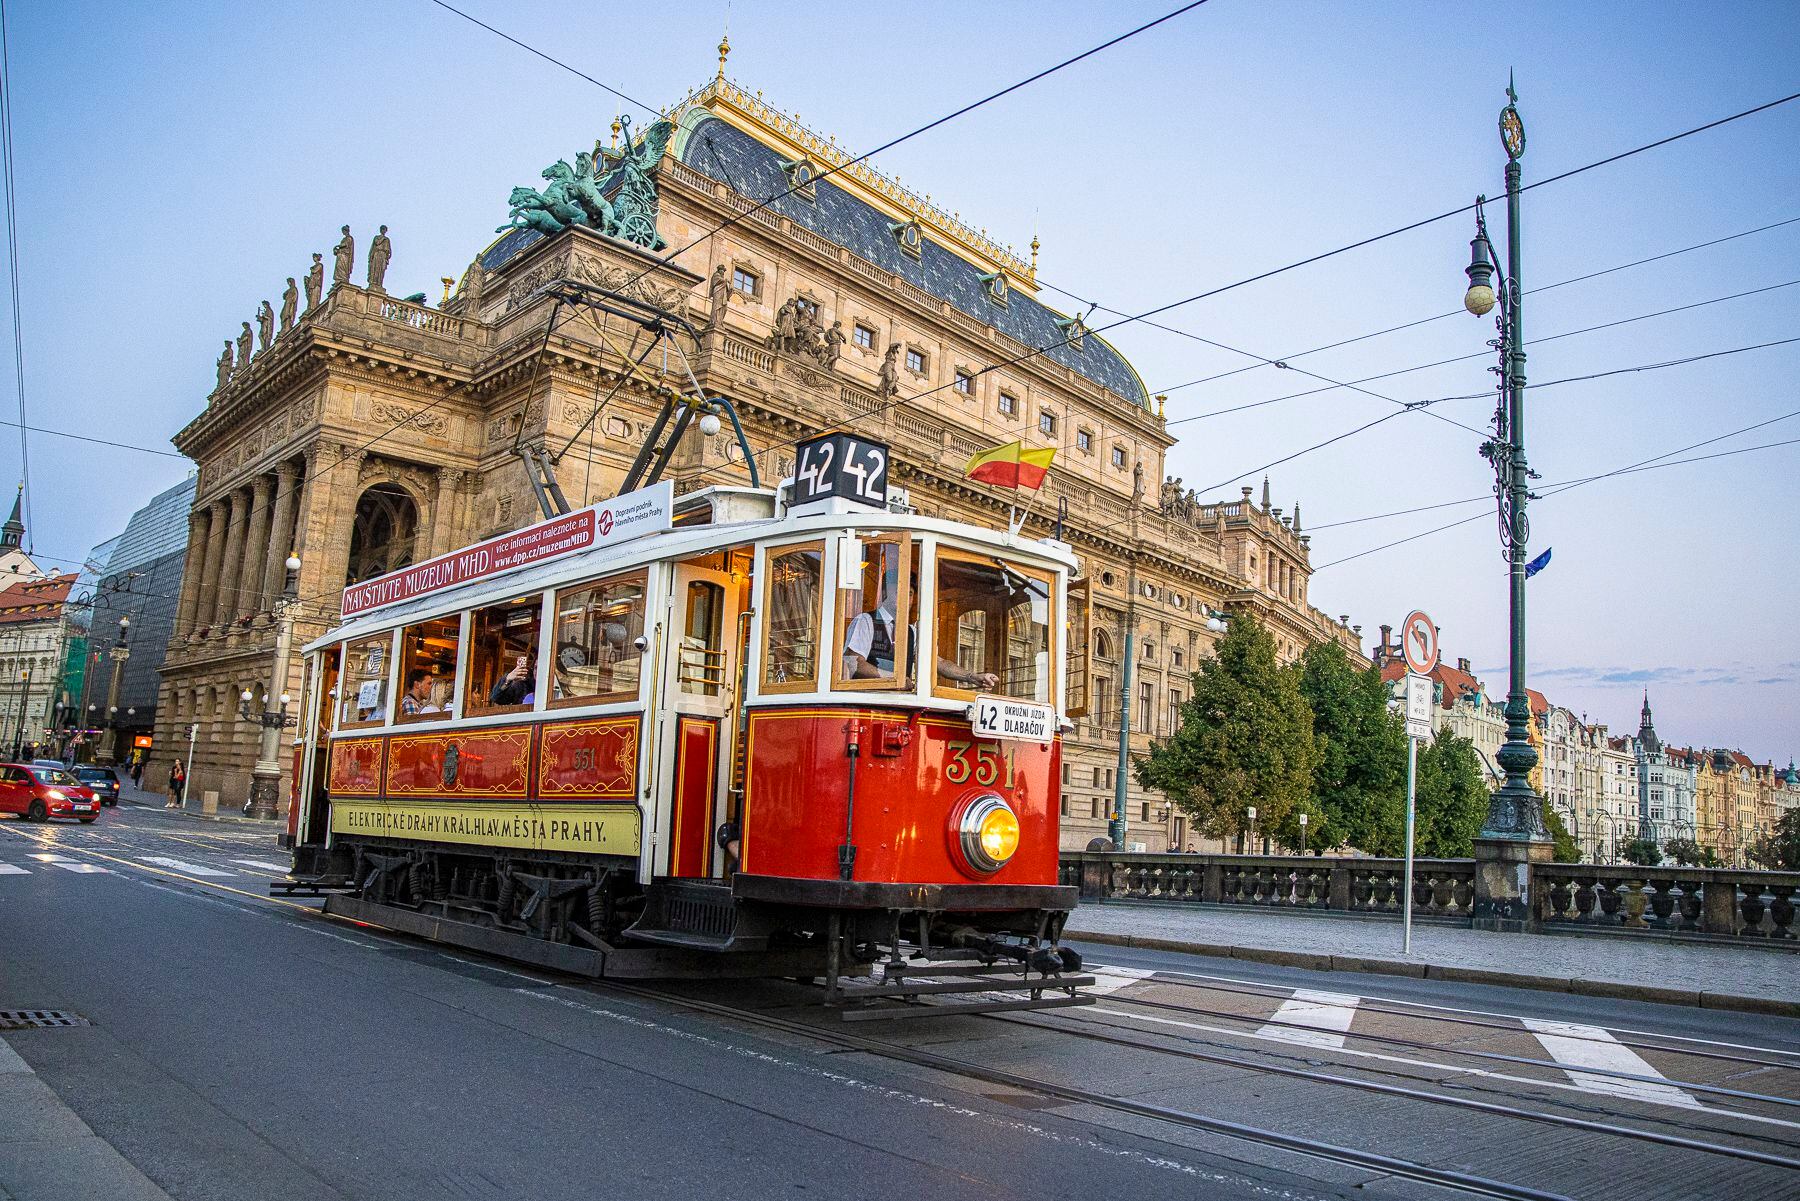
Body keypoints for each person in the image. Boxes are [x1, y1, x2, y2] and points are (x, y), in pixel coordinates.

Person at [842, 569, 998, 690]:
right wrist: (895, 679)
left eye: (909, 593)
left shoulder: (911, 631)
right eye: (898, 592)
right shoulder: (866, 621)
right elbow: (855, 663)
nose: (905, 598)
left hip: (897, 706)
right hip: (866, 705)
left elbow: (938, 663)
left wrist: (972, 677)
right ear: (884, 593)